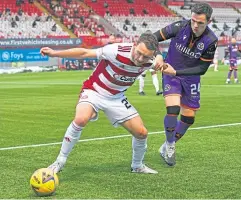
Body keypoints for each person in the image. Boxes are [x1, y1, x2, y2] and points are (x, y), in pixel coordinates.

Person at [40, 32, 164, 174]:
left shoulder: (150, 61)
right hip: (94, 91)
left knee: (142, 133)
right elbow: (84, 53)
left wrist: (172, 68)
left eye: (146, 56)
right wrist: (54, 53)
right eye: (139, 53)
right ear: (134, 45)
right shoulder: (115, 51)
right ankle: (59, 161)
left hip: (116, 98)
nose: (141, 58)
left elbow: (168, 69)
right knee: (81, 119)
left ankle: (137, 166)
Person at [153, 2, 218, 166]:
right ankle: (169, 146)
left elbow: (202, 68)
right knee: (173, 109)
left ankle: (166, 145)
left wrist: (177, 72)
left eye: (200, 23)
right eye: (193, 21)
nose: (195, 25)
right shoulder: (179, 26)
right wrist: (159, 56)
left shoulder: (211, 40)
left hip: (190, 77)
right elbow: (153, 38)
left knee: (189, 118)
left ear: (208, 22)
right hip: (170, 73)